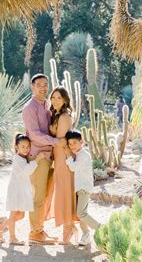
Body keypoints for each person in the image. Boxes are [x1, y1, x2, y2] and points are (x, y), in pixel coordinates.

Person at [22, 74, 67, 244]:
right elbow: (34, 134)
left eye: (45, 84)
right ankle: (35, 233)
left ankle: (40, 230)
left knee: (45, 195)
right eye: (39, 84)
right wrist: (56, 142)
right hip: (38, 157)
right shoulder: (30, 108)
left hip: (48, 157)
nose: (43, 87)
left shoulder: (47, 105)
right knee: (38, 196)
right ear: (32, 87)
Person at [0, 134, 45, 245]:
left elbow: (25, 175)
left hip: (21, 190)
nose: (26, 149)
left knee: (21, 215)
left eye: (28, 147)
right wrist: (37, 160)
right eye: (23, 146)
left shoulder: (23, 159)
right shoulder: (17, 159)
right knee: (13, 215)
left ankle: (1, 228)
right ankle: (12, 238)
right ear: (17, 147)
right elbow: (27, 171)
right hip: (15, 190)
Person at [47, 86, 79, 245]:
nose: (55, 100)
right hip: (59, 157)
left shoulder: (65, 117)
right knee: (62, 191)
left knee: (65, 192)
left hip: (63, 157)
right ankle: (69, 226)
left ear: (65, 100)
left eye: (59, 98)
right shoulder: (57, 115)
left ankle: (69, 227)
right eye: (53, 97)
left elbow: (60, 139)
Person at [65, 129, 101, 246]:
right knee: (81, 213)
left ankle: (101, 228)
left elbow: (73, 167)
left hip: (84, 188)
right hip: (80, 188)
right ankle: (86, 235)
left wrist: (68, 157)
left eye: (75, 143)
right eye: (70, 144)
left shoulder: (84, 155)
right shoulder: (80, 154)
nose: (72, 146)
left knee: (81, 214)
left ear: (82, 141)